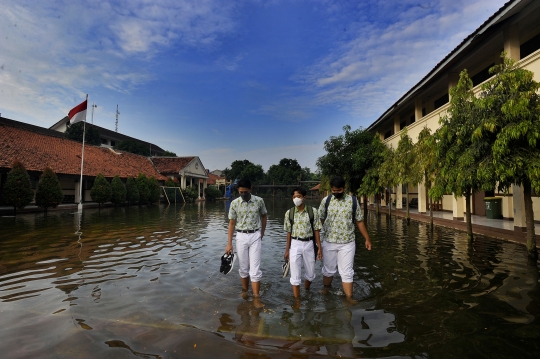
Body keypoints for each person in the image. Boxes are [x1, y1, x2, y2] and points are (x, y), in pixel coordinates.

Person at [318, 176, 372, 300]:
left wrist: (367, 239)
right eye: (334, 190)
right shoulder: (326, 201)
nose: (336, 192)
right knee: (328, 270)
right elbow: (320, 220)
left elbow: (359, 221)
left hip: (347, 243)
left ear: (344, 188)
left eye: (339, 190)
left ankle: (349, 299)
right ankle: (326, 289)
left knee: (347, 272)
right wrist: (318, 241)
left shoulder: (353, 201)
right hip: (329, 242)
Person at [225, 178, 267, 297]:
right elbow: (232, 223)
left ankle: (256, 297)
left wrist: (262, 232)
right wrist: (229, 243)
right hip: (241, 236)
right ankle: (245, 291)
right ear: (238, 191)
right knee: (243, 267)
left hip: (255, 235)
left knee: (255, 269)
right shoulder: (235, 203)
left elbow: (264, 216)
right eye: (241, 192)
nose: (243, 194)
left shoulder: (259, 201)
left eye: (245, 192)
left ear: (250, 189)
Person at [283, 187, 322, 299]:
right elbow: (289, 233)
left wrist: (319, 248)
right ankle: (297, 301)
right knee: (295, 275)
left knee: (311, 274)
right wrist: (287, 250)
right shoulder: (289, 213)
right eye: (294, 197)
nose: (296, 199)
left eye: (299, 196)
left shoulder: (312, 211)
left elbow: (316, 230)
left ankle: (306, 289)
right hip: (295, 244)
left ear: (304, 198)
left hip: (309, 244)